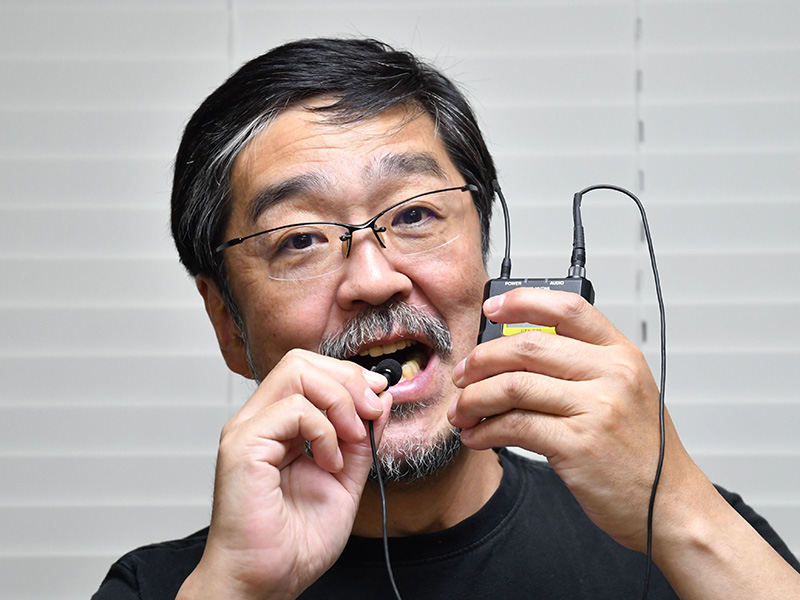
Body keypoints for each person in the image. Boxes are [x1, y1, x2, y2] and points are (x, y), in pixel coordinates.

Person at [93, 37, 800, 599]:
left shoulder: (689, 541)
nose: (375, 279)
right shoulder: (162, 589)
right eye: (301, 238)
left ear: (485, 252)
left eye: (414, 215)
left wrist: (676, 511)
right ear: (227, 322)